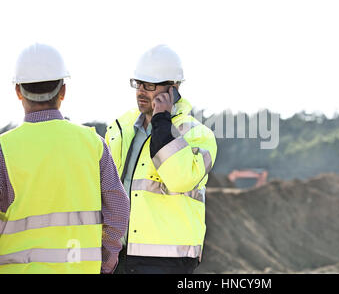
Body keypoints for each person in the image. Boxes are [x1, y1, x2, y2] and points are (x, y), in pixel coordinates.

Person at [0, 43, 130, 274]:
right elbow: (118, 209)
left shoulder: (4, 149)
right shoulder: (93, 144)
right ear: (63, 91)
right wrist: (106, 259)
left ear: (18, 91)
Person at [105, 44, 217, 274]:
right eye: (138, 83)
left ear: (173, 89)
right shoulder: (120, 129)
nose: (140, 91)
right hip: (120, 255)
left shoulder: (198, 135)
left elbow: (179, 178)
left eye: (150, 85)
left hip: (167, 260)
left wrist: (161, 121)